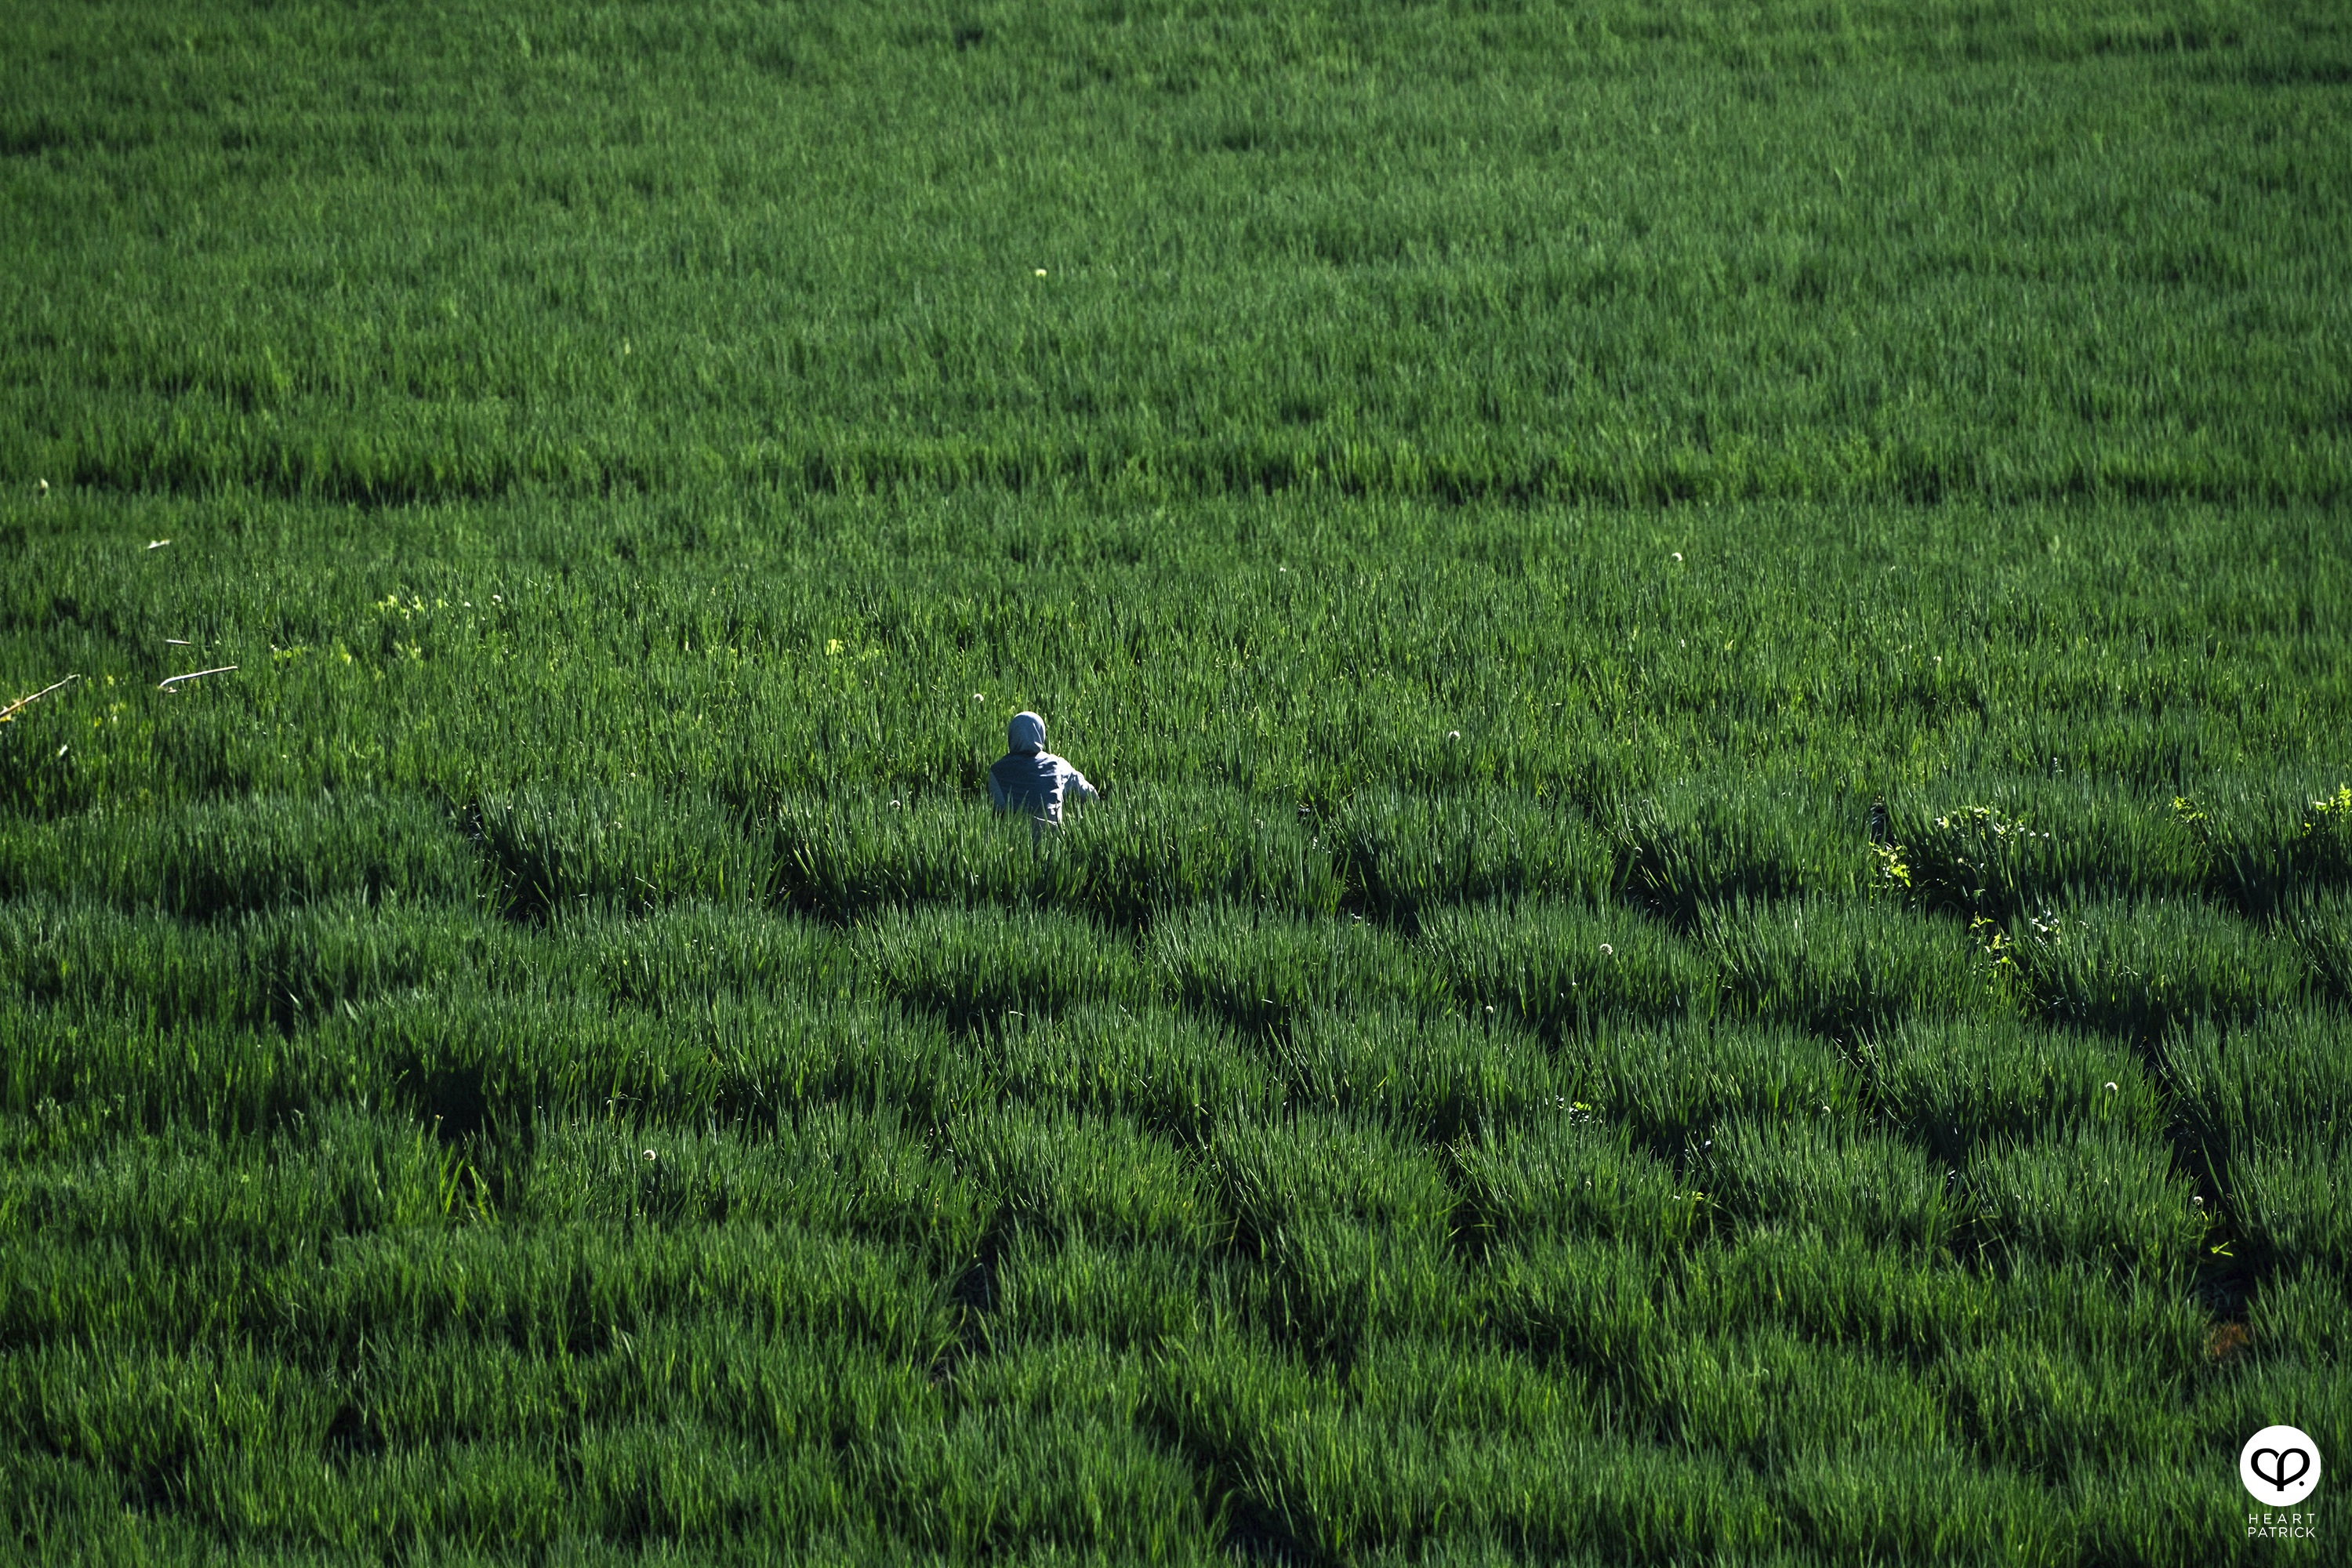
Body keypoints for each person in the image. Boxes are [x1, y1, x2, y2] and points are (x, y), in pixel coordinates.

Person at [988, 710, 1099, 834]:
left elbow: (998, 808)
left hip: (1013, 836)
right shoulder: (1056, 764)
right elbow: (1087, 792)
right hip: (1053, 836)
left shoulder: (997, 770)